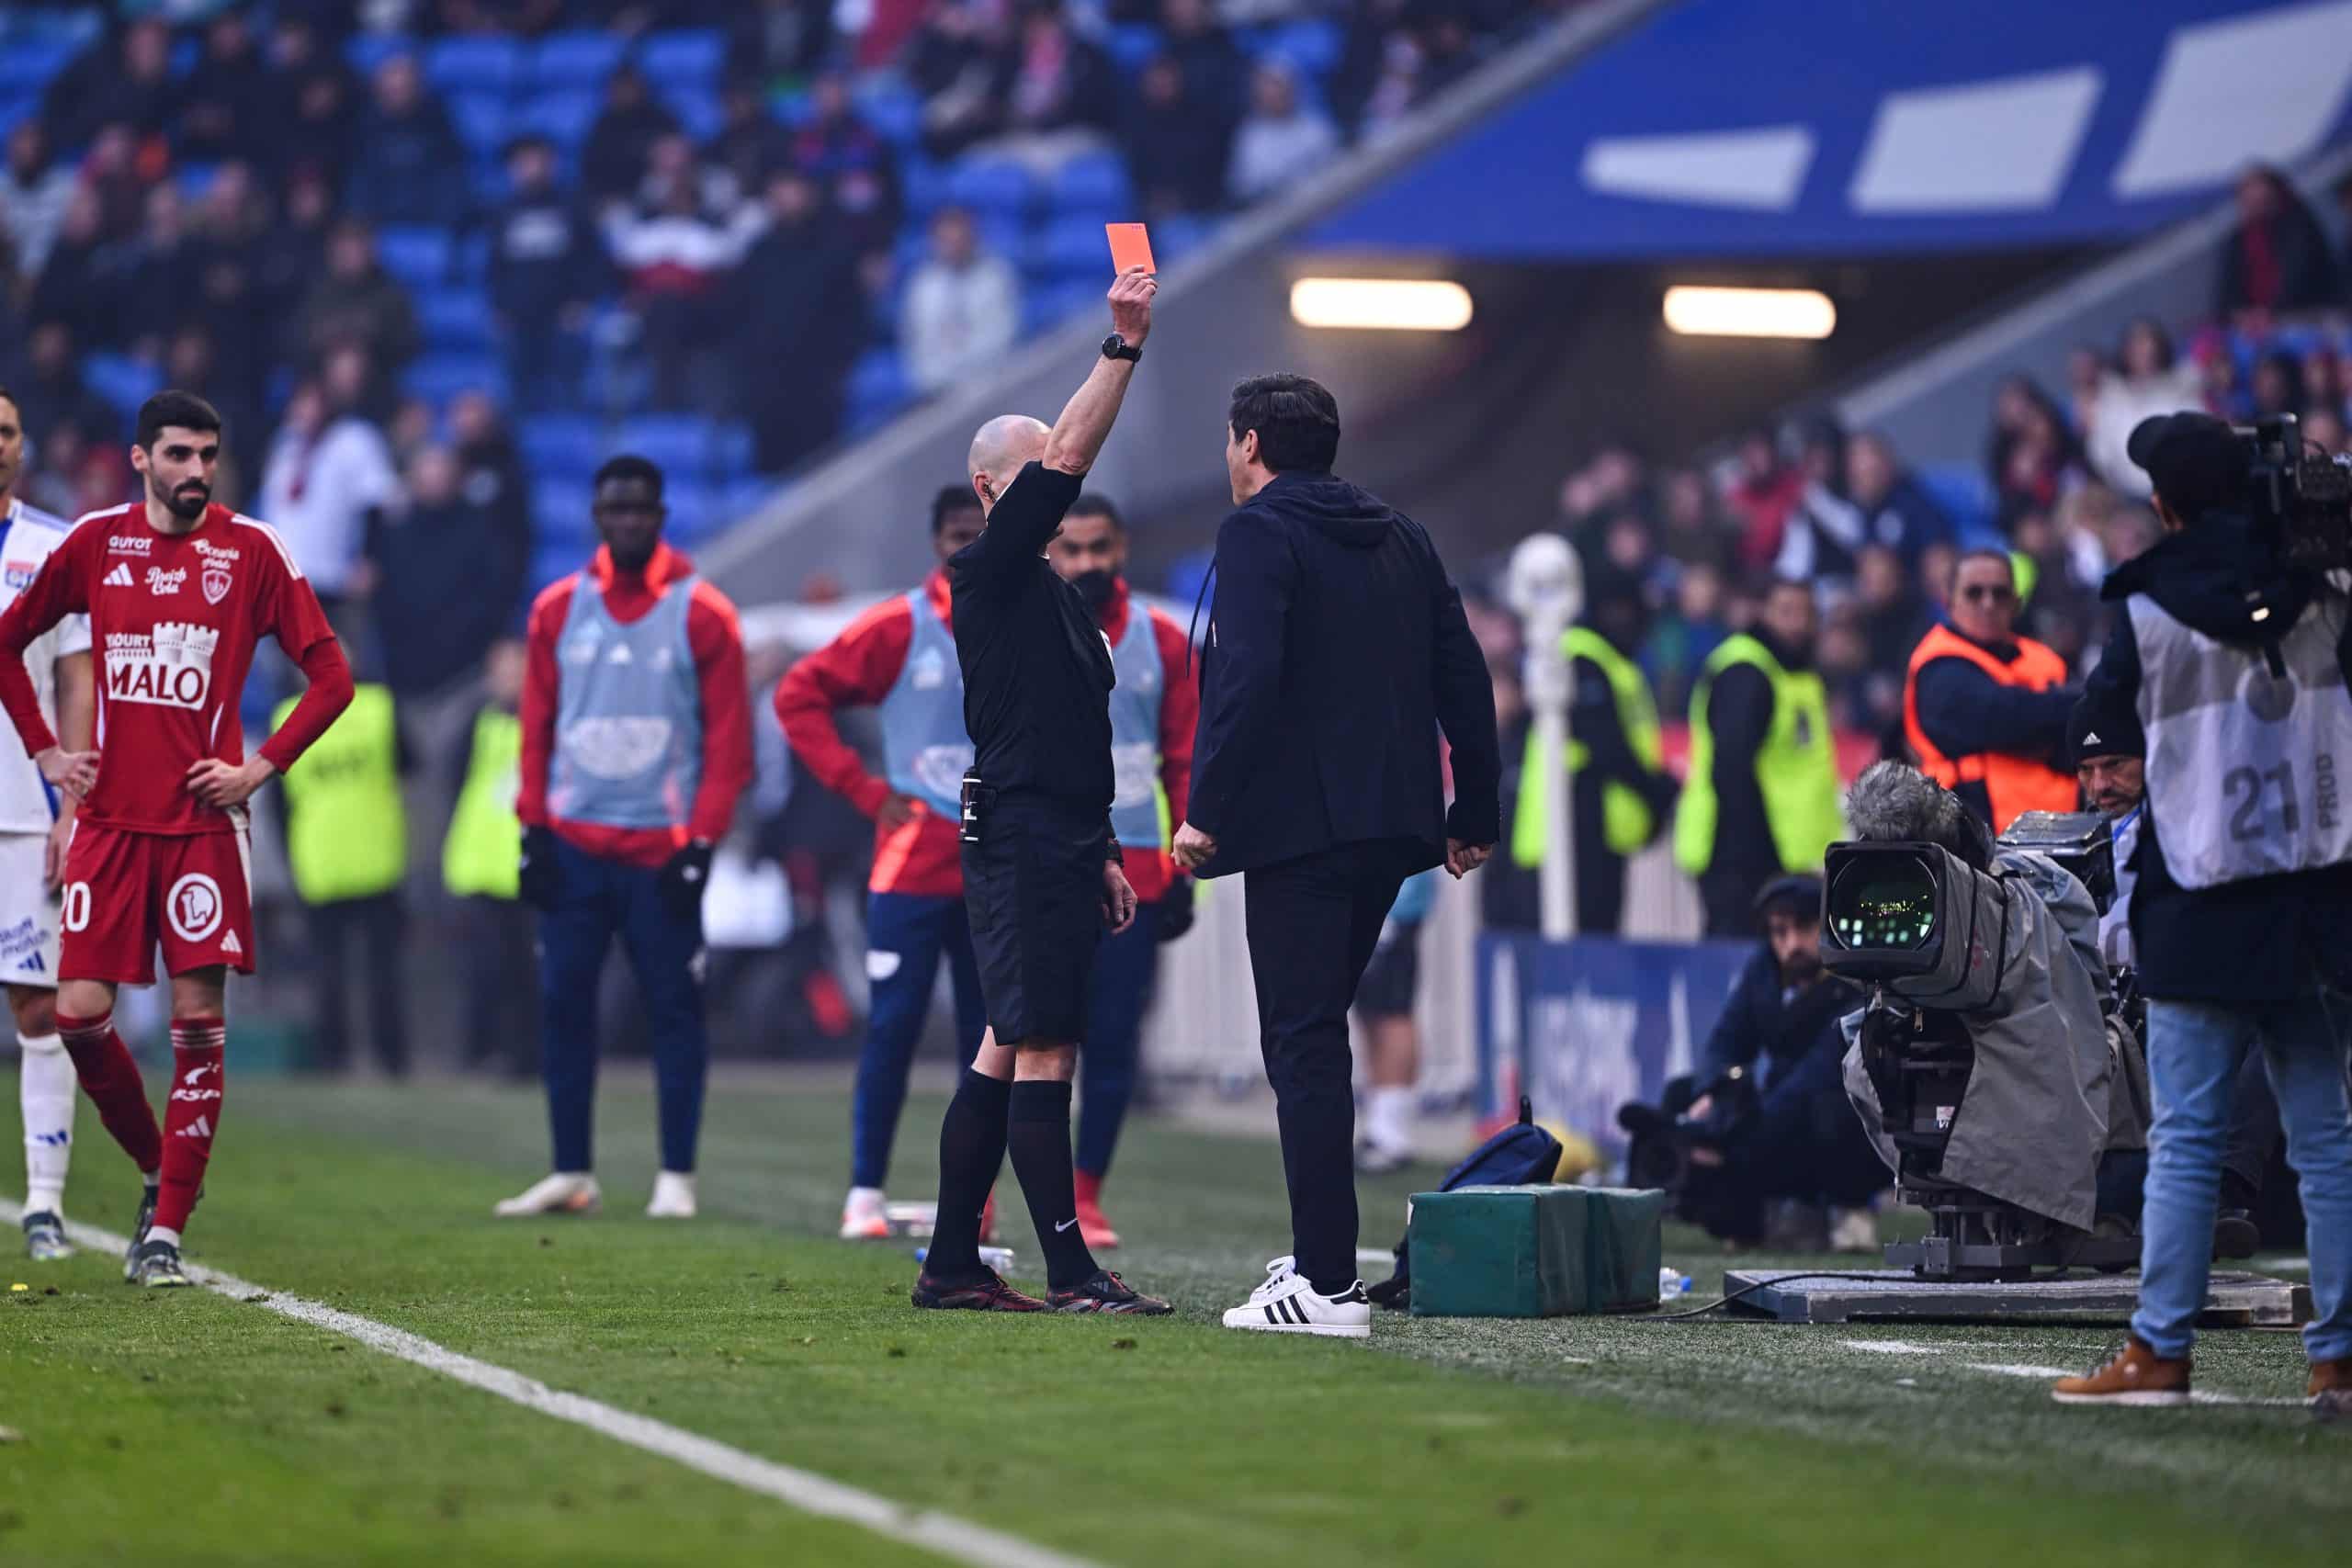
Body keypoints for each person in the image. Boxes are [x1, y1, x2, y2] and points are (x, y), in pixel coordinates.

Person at [1171, 372, 1501, 1338]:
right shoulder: (1403, 534)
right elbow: (1463, 673)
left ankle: (1323, 1285)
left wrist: (1208, 811)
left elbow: (1247, 677)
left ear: (1247, 444)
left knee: (1303, 1042)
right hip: (1393, 828)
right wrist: (1471, 806)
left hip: (1298, 828)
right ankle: (1320, 1260)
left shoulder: (1257, 533)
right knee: (1319, 1031)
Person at [0, 390, 355, 1287]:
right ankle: (161, 1166)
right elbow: (7, 643)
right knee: (77, 1018)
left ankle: (164, 1233)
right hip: (112, 823)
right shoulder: (95, 543)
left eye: (208, 455)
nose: (197, 471)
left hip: (203, 827)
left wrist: (259, 768)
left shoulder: (253, 549)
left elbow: (331, 676)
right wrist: (47, 749)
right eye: (180, 455)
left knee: (199, 1026)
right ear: (140, 460)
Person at [2054, 412, 2352, 1416]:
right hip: (2313, 896)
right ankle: (2339, 1358)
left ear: (2167, 504)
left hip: (2199, 892)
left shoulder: (2145, 604)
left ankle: (2159, 1351)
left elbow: (2101, 713)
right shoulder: (2324, 585)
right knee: (2327, 1140)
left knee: (2185, 1140)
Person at [910, 268, 1169, 1316]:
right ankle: (1067, 1274)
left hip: (1053, 829)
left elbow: (1074, 734)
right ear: (989, 494)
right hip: (1018, 829)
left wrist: (1102, 843)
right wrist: (1122, 346)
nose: (1052, 494)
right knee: (1042, 1040)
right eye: (1029, 483)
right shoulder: (992, 571)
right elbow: (1064, 457)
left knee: (1008, 1038)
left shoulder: (1048, 598)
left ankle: (950, 1266)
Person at [500, 457, 752, 1222]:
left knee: (674, 1008)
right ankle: (571, 1170)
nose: (629, 521)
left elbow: (729, 746)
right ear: (597, 516)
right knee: (562, 1004)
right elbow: (537, 728)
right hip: (575, 847)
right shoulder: (555, 610)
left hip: (660, 850)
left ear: (661, 514)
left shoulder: (704, 612)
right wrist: (533, 831)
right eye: (615, 509)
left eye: (642, 509)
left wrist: (702, 844)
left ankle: (676, 1176)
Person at [775, 487, 991, 1240]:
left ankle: (977, 1198)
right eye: (957, 534)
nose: (969, 546)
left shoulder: (1029, 616)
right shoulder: (904, 625)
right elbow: (799, 694)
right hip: (912, 862)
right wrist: (861, 788)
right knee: (893, 1026)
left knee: (990, 1036)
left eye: (982, 532)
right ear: (936, 542)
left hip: (999, 864)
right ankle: (864, 1190)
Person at [1045, 491, 1199, 1247]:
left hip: (1137, 869)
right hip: (1045, 862)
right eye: (1069, 549)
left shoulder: (1163, 642)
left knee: (1111, 1040)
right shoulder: (1025, 631)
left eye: (1097, 548)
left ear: (1122, 548)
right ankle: (985, 1196)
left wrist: (1186, 867)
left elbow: (1183, 756)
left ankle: (1086, 1195)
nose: (1084, 563)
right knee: (1025, 1037)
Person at [1654, 875, 1885, 1250]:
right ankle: (1749, 1219)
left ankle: (1849, 1210)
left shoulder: (1856, 979)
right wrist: (1713, 1095)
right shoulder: (1764, 970)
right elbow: (1726, 1041)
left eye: (1804, 928)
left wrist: (1734, 1137)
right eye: (1780, 932)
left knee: (1831, 1110)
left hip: (1834, 1121)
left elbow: (1818, 1072)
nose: (1792, 944)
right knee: (1683, 1097)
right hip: (1777, 1115)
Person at [0, 389, 95, 1260]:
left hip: (24, 810)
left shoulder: (53, 546)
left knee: (38, 1004)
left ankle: (44, 1203)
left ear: (22, 445)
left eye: (3, 430)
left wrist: (74, 802)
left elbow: (74, 681)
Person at [1510, 562, 1675, 934]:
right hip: (1570, 836)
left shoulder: (1613, 663)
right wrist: (1655, 789)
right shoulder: (1583, 657)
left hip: (1594, 838)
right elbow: (1604, 742)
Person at [1675, 578, 1844, 938]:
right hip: (1742, 855)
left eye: (1807, 613)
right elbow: (1731, 769)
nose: (1798, 623)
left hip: (1783, 855)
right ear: (1763, 612)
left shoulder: (1794, 673)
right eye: (1786, 611)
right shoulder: (1747, 671)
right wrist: (1756, 855)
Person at [272, 664, 411, 1076]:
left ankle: (335, 1057)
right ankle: (390, 1058)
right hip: (373, 858)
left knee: (331, 968)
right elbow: (410, 765)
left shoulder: (287, 717)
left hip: (323, 862)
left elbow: (279, 805)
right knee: (378, 968)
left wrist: (292, 856)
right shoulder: (380, 708)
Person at [1902, 548, 2078, 833]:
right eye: (1974, 593)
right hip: (1974, 847)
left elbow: (2081, 729)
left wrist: (2049, 718)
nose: (1988, 603)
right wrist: (2057, 714)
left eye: (2000, 594)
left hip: (2060, 838)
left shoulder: (2045, 659)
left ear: (2016, 602)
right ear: (1949, 601)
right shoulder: (1938, 665)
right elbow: (2000, 718)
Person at [443, 639, 534, 1079]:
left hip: (529, 868)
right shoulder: (476, 723)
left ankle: (524, 1057)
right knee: (483, 971)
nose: (508, 679)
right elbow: (455, 786)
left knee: (526, 972)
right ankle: (480, 1053)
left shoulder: (548, 721)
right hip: (481, 865)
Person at [1354, 867, 1436, 1174]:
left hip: (1395, 894)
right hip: (1367, 891)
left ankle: (1392, 1129)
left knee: (1392, 1010)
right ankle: (1380, 1123)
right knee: (1370, 1010)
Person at [899, 208, 1021, 398]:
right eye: (947, 241)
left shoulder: (994, 277)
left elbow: (1001, 333)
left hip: (987, 384)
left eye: (959, 240)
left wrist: (968, 373)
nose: (954, 247)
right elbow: (915, 340)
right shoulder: (923, 285)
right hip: (935, 388)